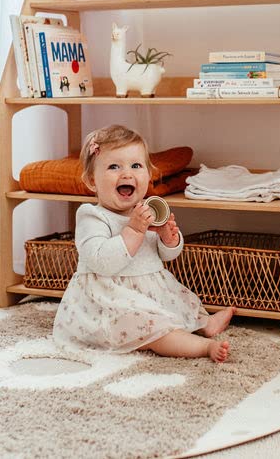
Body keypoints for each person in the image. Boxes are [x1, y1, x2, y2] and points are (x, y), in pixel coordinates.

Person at [53, 125, 234, 361]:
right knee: (153, 329)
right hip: (110, 299)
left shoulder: (147, 210)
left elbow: (165, 255)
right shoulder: (92, 215)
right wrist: (135, 229)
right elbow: (101, 262)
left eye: (136, 166)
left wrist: (168, 239)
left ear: (148, 176)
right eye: (114, 167)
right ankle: (202, 347)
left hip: (150, 290)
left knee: (182, 306)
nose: (127, 174)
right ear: (91, 181)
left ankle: (206, 323)